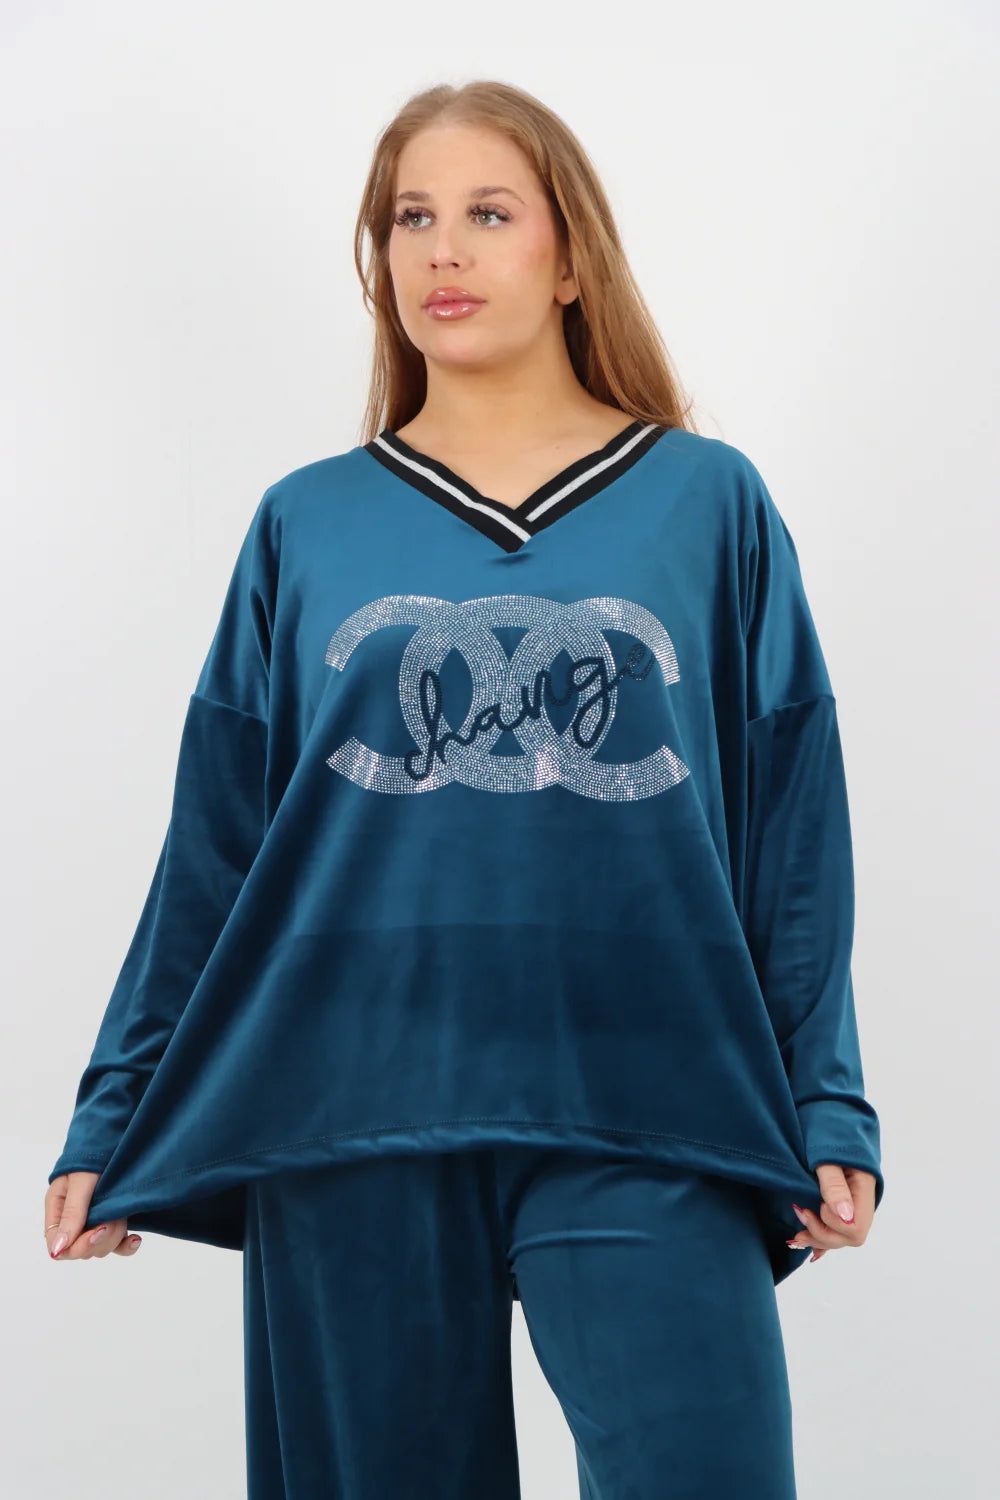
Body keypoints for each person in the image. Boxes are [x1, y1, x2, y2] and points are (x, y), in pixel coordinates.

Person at [44, 79, 885, 1497]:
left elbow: (794, 818)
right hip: (346, 1096)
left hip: (653, 1085)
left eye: (489, 214)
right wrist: (114, 1106)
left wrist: (827, 1097)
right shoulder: (305, 521)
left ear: (570, 260)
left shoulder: (710, 501)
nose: (443, 249)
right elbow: (219, 843)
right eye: (409, 218)